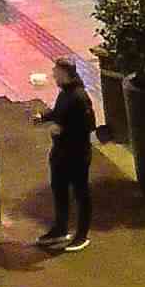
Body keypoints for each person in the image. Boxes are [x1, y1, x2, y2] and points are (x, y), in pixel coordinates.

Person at [37, 57, 97, 249]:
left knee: (81, 193)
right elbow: (60, 113)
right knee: (59, 190)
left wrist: (62, 129)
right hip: (61, 153)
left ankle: (82, 235)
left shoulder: (79, 96)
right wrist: (44, 117)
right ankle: (60, 228)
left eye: (56, 72)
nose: (53, 75)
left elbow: (89, 125)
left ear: (64, 73)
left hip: (76, 155)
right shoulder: (65, 93)